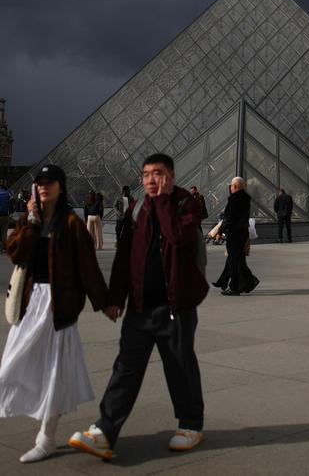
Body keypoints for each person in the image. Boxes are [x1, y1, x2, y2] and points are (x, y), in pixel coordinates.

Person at [69, 153, 209, 461]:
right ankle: (104, 432)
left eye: (157, 173)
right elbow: (124, 259)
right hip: (140, 306)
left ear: (171, 176)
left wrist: (161, 202)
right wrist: (115, 298)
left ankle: (191, 424)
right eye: (146, 174)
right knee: (125, 369)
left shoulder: (187, 205)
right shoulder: (135, 210)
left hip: (176, 305)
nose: (150, 179)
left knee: (180, 367)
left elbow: (176, 238)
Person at [0, 164, 109, 463]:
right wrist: (29, 221)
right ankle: (42, 427)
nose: (43, 187)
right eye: (39, 183)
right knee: (15, 361)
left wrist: (106, 302)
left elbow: (88, 267)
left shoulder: (70, 223)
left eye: (50, 182)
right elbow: (15, 253)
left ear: (60, 186)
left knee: (55, 373)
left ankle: (46, 437)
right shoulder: (29, 219)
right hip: (31, 303)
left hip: (59, 305)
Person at [214, 177, 259, 292]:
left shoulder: (234, 199)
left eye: (231, 186)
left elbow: (229, 218)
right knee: (238, 260)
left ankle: (235, 287)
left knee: (234, 260)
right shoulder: (245, 198)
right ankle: (249, 282)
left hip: (234, 234)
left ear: (235, 186)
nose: (230, 188)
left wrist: (219, 232)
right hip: (242, 233)